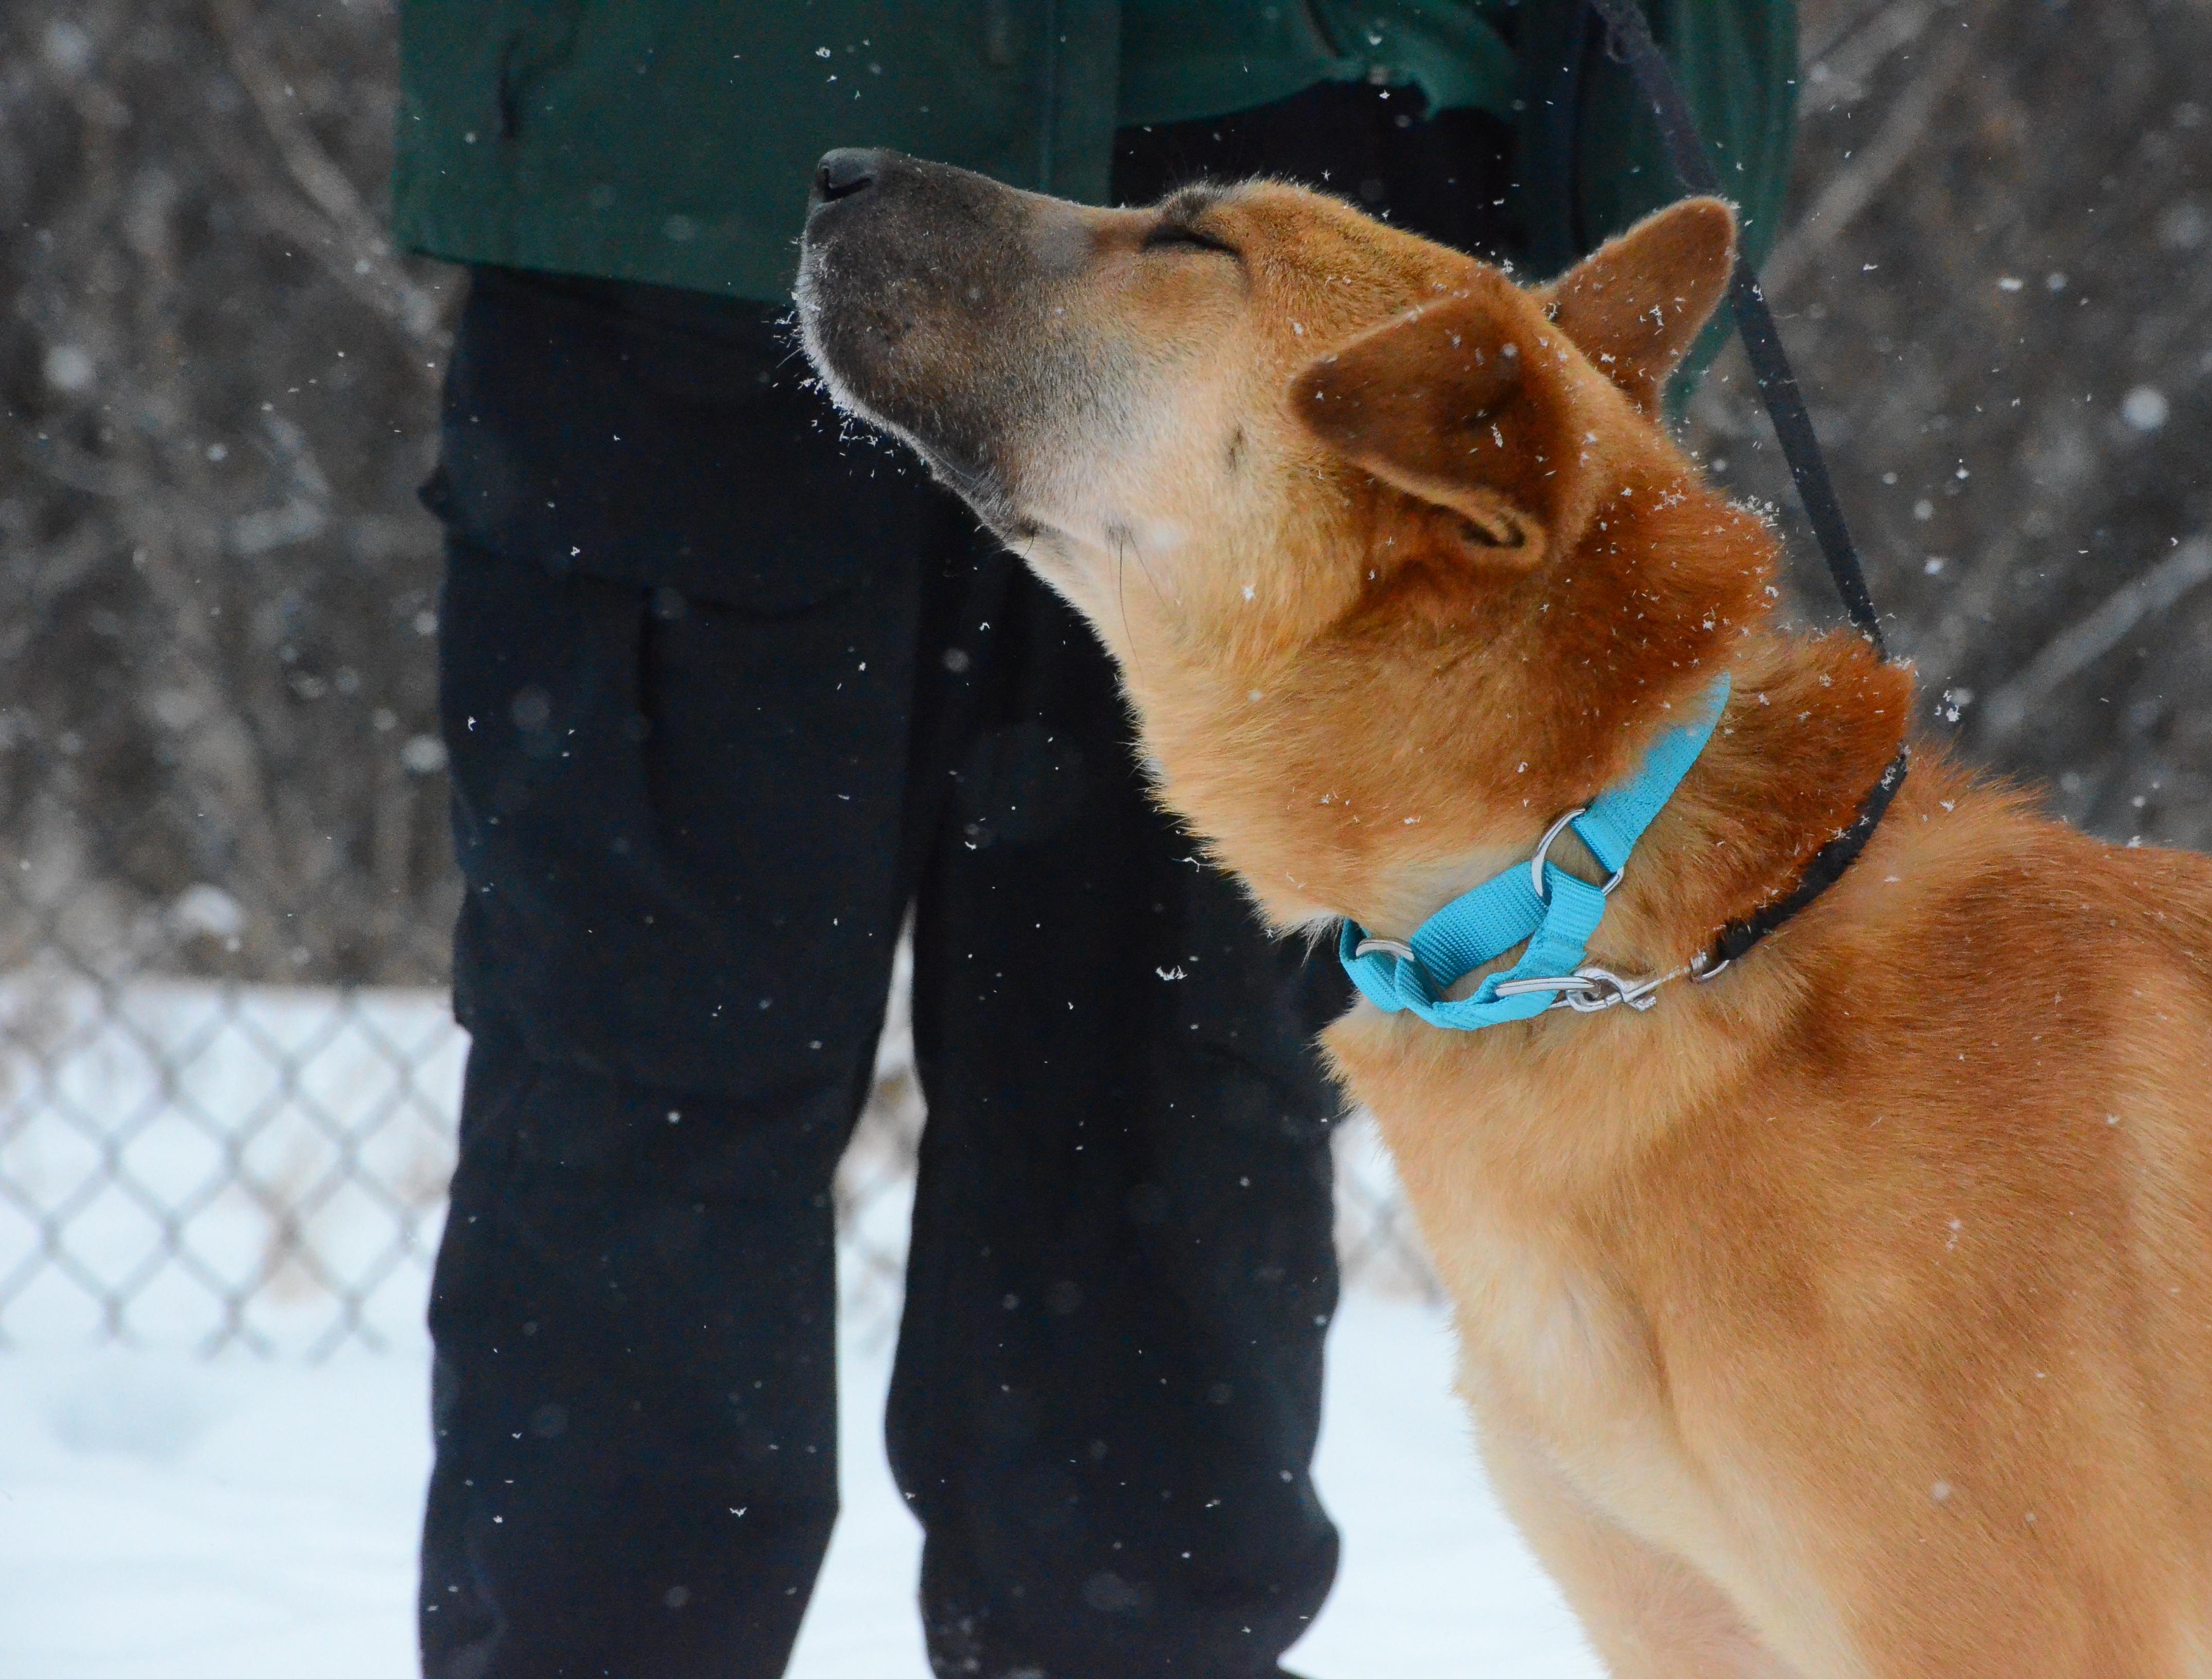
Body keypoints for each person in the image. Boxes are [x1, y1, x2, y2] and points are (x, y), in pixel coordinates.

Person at [390, 5, 1797, 1676]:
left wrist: (1619, 220)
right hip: (702, 167)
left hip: (1321, 220)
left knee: (1164, 1156)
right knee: (645, 1110)